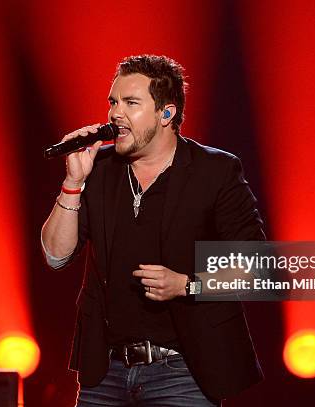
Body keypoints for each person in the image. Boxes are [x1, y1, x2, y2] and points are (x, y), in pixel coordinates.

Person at [41, 55, 265, 406]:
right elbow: (56, 255)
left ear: (166, 114)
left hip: (183, 372)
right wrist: (72, 183)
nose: (116, 114)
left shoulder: (215, 171)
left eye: (131, 103)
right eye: (113, 102)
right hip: (107, 371)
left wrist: (187, 284)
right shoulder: (98, 170)